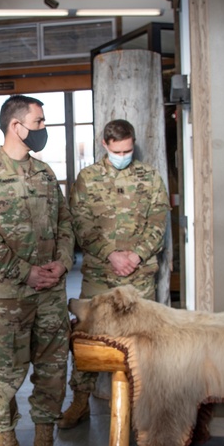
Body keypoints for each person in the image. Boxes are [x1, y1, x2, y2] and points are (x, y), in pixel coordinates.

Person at [0, 95, 74, 446]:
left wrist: (63, 263)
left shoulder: (46, 173)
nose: (43, 128)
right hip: (6, 296)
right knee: (4, 376)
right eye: (39, 121)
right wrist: (24, 272)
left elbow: (66, 222)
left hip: (50, 295)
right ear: (16, 126)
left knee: (52, 372)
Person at [59, 118, 169, 429]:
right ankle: (80, 400)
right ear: (105, 145)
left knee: (143, 341)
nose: (124, 155)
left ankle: (145, 405)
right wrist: (111, 254)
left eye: (129, 150)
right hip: (100, 273)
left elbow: (158, 222)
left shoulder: (149, 177)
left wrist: (134, 256)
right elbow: (79, 223)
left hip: (138, 275)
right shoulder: (87, 178)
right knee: (86, 336)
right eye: (118, 150)